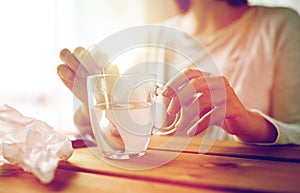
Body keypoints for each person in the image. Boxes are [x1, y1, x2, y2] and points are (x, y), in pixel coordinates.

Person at [57, 0, 300, 145]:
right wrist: (104, 105)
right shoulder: (154, 36)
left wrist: (248, 122)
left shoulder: (281, 26)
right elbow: (128, 137)